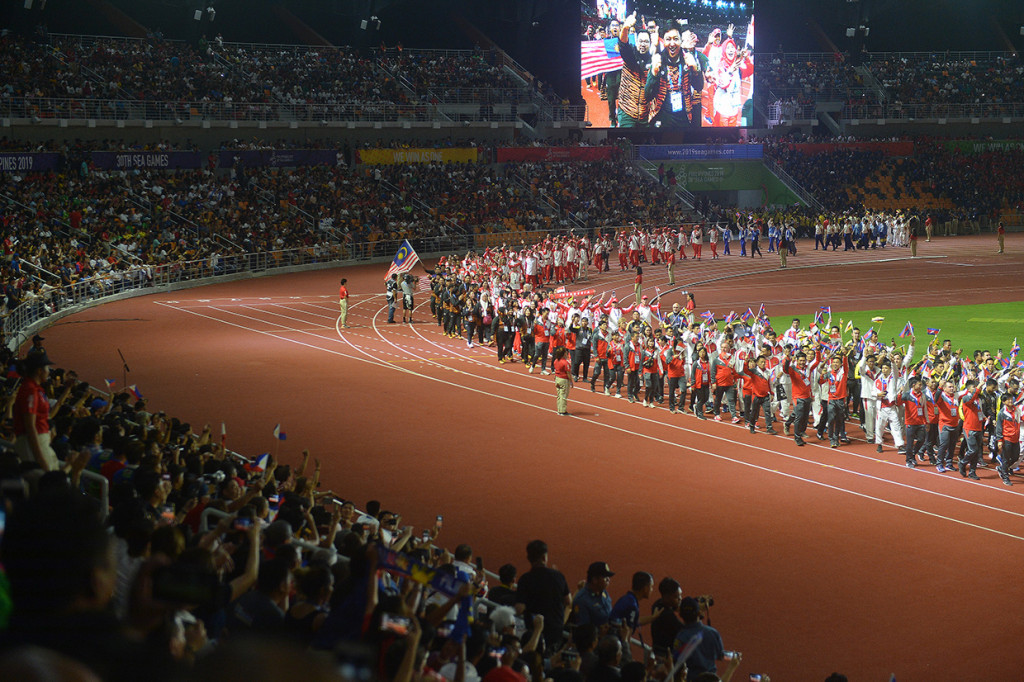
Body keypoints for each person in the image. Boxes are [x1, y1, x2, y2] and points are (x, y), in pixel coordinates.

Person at [515, 540, 571, 651]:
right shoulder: (558, 576)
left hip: (535, 631)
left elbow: (519, 608)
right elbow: (568, 602)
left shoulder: (525, 579)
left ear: (529, 558)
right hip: (556, 631)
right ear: (544, 557)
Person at [645, 28, 705, 129]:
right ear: (663, 41)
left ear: (681, 41)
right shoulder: (658, 60)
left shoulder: (688, 59)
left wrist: (695, 69)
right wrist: (653, 73)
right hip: (662, 116)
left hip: (684, 117)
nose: (672, 44)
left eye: (676, 39)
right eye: (668, 39)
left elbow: (699, 87)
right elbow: (647, 96)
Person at [14, 352, 59, 472]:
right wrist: (40, 457)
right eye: (47, 368)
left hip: (39, 440)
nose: (49, 371)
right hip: (34, 442)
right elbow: (30, 426)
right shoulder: (30, 390)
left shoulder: (34, 389)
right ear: (39, 370)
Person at [672, 597, 725, 678]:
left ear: (681, 615)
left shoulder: (681, 637)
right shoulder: (713, 633)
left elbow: (676, 661)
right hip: (711, 678)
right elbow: (720, 656)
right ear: (699, 613)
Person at [617, 13, 653, 128]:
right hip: (627, 112)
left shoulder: (654, 60)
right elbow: (623, 43)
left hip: (645, 115)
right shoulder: (630, 54)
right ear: (636, 42)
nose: (643, 44)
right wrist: (626, 27)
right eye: (641, 41)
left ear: (650, 44)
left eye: (646, 42)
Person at [572, 562, 615, 627]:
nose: (608, 579)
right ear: (594, 580)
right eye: (605, 577)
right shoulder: (582, 600)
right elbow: (583, 630)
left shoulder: (603, 592)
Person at [553, 346, 573, 416]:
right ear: (564, 354)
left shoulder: (556, 361)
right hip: (564, 379)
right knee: (563, 395)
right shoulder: (565, 363)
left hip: (557, 378)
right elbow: (568, 373)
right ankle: (562, 411)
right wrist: (571, 381)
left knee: (559, 395)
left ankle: (559, 409)